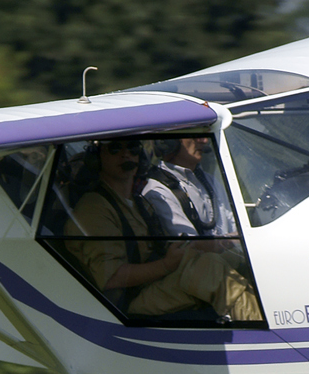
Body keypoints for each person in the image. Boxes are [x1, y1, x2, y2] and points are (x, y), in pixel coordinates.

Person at [64, 138, 260, 322]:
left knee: (235, 258)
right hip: (126, 301)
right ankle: (264, 330)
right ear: (96, 159)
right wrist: (167, 265)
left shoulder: (137, 202)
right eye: (115, 149)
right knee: (207, 267)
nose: (126, 155)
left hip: (152, 284)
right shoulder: (95, 208)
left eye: (132, 149)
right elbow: (111, 278)